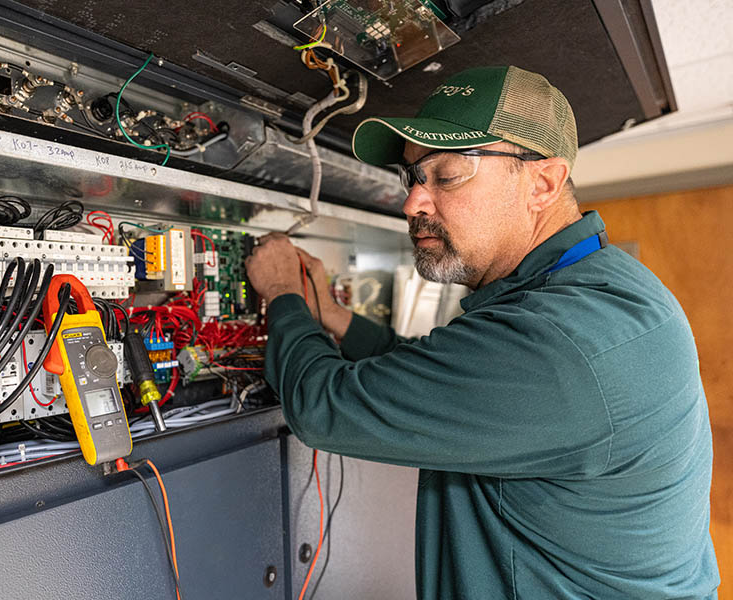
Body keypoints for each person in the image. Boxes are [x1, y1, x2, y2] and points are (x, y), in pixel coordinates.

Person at [245, 66, 719, 599]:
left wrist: (283, 293)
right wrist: (336, 320)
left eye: (445, 176)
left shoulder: (557, 342)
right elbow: (457, 383)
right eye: (413, 177)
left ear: (542, 183)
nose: (412, 203)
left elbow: (322, 407)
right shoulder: (604, 288)